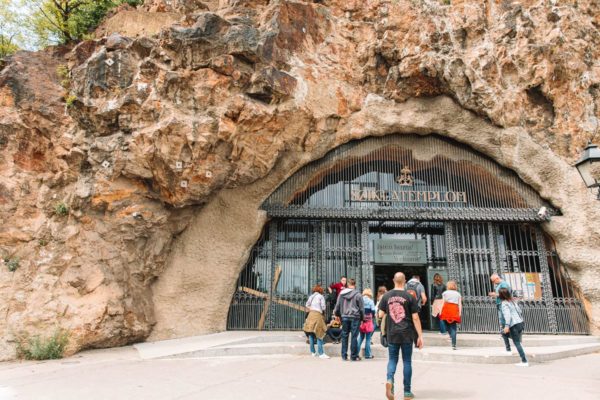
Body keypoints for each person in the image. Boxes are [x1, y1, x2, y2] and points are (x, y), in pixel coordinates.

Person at [378, 272, 424, 400]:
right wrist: (420, 336)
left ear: (393, 280)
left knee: (392, 359)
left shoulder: (386, 296)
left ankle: (389, 380)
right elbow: (415, 318)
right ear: (404, 282)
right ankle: (407, 392)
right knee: (407, 361)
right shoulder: (409, 296)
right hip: (407, 333)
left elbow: (381, 315)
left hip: (392, 333)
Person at [333, 278, 364, 361]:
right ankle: (353, 356)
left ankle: (344, 356)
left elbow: (337, 305)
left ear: (347, 284)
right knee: (354, 337)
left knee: (344, 336)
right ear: (355, 284)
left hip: (345, 317)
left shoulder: (342, 294)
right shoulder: (358, 294)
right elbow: (361, 308)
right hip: (355, 317)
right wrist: (362, 318)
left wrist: (337, 315)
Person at [499, 288, 529, 367]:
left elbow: (507, 315)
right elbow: (519, 311)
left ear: (501, 295)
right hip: (520, 322)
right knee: (503, 333)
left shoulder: (504, 303)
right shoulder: (512, 301)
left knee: (517, 343)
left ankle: (524, 361)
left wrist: (506, 326)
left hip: (514, 325)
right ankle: (508, 350)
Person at [303, 284, 330, 359]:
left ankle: (313, 352)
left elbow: (306, 305)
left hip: (311, 315)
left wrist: (311, 308)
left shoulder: (311, 296)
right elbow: (323, 307)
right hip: (317, 315)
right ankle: (321, 353)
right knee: (319, 334)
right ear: (320, 290)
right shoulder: (321, 297)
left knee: (311, 333)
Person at [489, 273, 512, 353]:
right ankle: (504, 335)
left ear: (497, 278)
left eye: (493, 281)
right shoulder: (500, 284)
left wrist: (494, 294)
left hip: (503, 305)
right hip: (500, 304)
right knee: (502, 322)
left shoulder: (504, 284)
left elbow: (505, 294)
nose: (493, 283)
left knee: (503, 321)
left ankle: (506, 338)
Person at [440, 280, 462, 350]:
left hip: (446, 308)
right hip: (454, 309)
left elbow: (443, 303)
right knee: (453, 327)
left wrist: (440, 311)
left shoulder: (445, 293)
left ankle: (449, 335)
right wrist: (460, 312)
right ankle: (454, 345)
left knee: (445, 323)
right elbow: (460, 304)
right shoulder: (458, 294)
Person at [357, 288, 376, 359]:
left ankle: (356, 353)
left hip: (361, 321)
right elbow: (373, 311)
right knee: (368, 338)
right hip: (368, 321)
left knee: (360, 338)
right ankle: (368, 355)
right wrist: (372, 317)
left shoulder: (360, 300)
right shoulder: (370, 301)